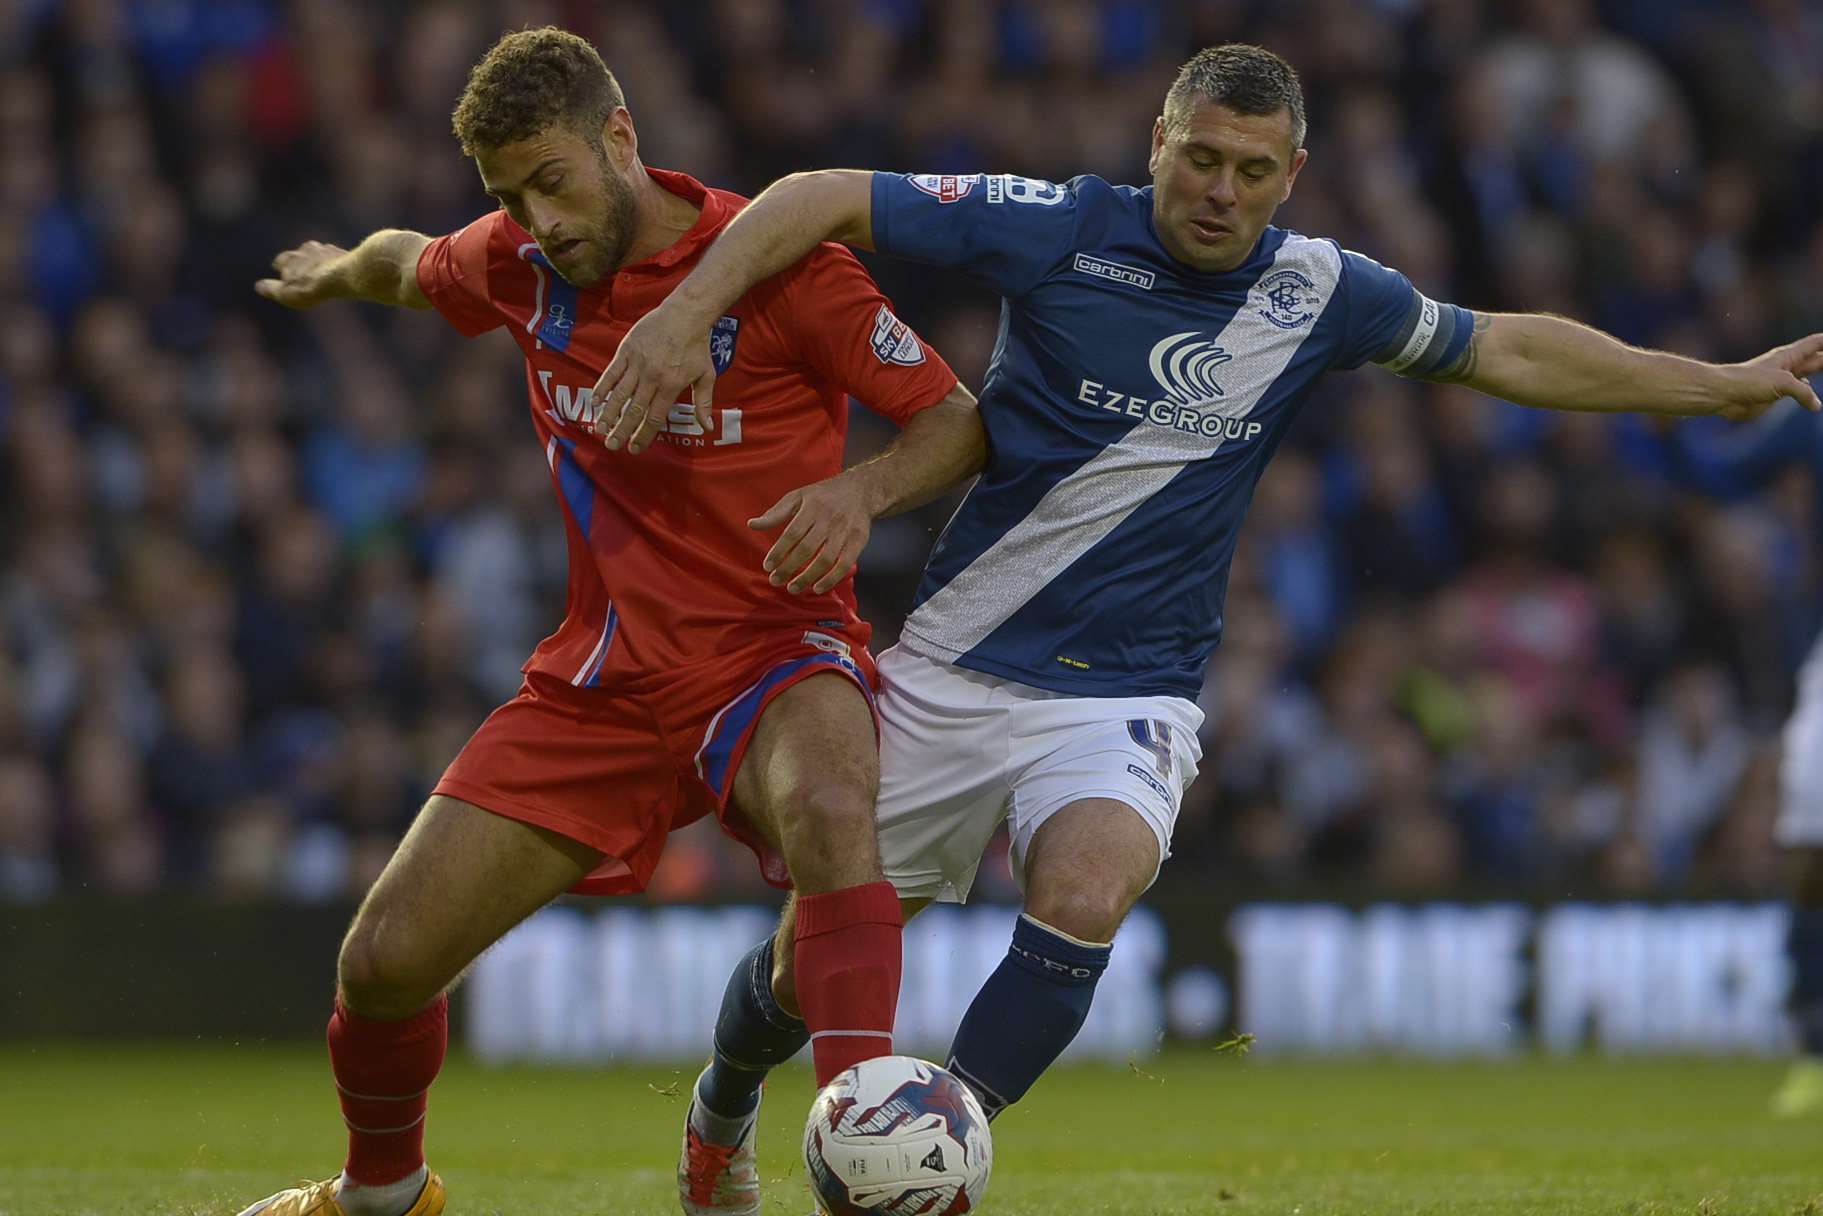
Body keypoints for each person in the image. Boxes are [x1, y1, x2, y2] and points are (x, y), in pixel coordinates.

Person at [596, 42, 1823, 1212]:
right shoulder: (1062, 224)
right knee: (804, 960)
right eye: (1199, 159)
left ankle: (925, 1143)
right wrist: (678, 314)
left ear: (1292, 175)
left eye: (1251, 170)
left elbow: (1501, 346)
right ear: (1158, 144)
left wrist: (1714, 385)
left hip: (1124, 691)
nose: (1218, 192)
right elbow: (816, 193)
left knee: (1082, 888)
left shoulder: (1321, 289)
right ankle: (721, 1106)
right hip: (954, 665)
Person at [241, 27, 983, 1216]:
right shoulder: (519, 267)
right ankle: (382, 1195)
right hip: (602, 681)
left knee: (836, 806)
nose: (536, 220)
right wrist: (337, 269)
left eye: (551, 180)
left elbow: (954, 418)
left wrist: (859, 491)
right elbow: (410, 260)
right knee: (380, 964)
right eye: (508, 196)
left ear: (620, 139)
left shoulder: (781, 267)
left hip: (777, 654)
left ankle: (867, 1165)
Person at [1665, 402, 1823, 1116]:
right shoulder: (1814, 415)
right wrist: (1667, 398)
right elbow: (1716, 471)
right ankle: (1815, 1046)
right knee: (1808, 842)